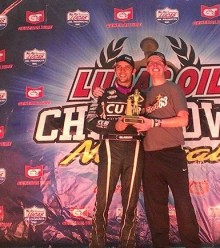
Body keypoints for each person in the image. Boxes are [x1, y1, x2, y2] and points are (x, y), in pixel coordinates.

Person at [133, 51, 201, 248]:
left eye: (158, 62)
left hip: (172, 154)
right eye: (150, 62)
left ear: (165, 67)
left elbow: (183, 119)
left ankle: (192, 244)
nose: (154, 64)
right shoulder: (143, 95)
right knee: (155, 207)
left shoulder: (173, 88)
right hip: (149, 156)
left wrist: (152, 124)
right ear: (147, 69)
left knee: (182, 202)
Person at [85, 54, 145, 248]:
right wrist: (113, 124)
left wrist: (144, 124)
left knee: (130, 202)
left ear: (133, 71)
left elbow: (151, 121)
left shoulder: (142, 95)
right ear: (114, 70)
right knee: (102, 200)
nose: (122, 71)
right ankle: (96, 243)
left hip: (135, 147)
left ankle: (127, 244)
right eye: (118, 67)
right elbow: (90, 121)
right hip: (111, 146)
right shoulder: (102, 93)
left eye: (126, 67)